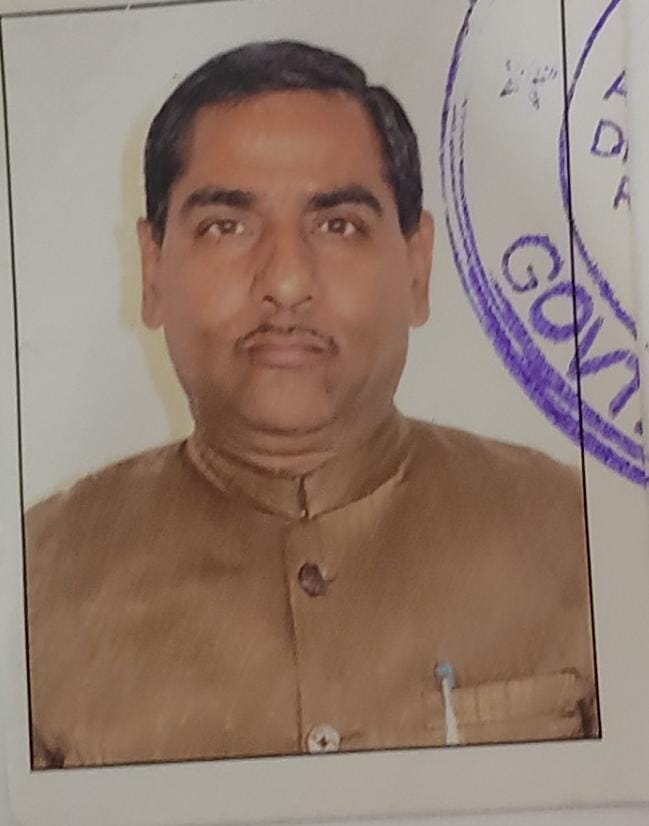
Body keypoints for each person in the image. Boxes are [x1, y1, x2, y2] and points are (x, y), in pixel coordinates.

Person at [25, 40, 597, 770]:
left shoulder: (585, 541)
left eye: (338, 225)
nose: (287, 282)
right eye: (226, 226)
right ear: (153, 270)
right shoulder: (33, 586)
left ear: (417, 266)